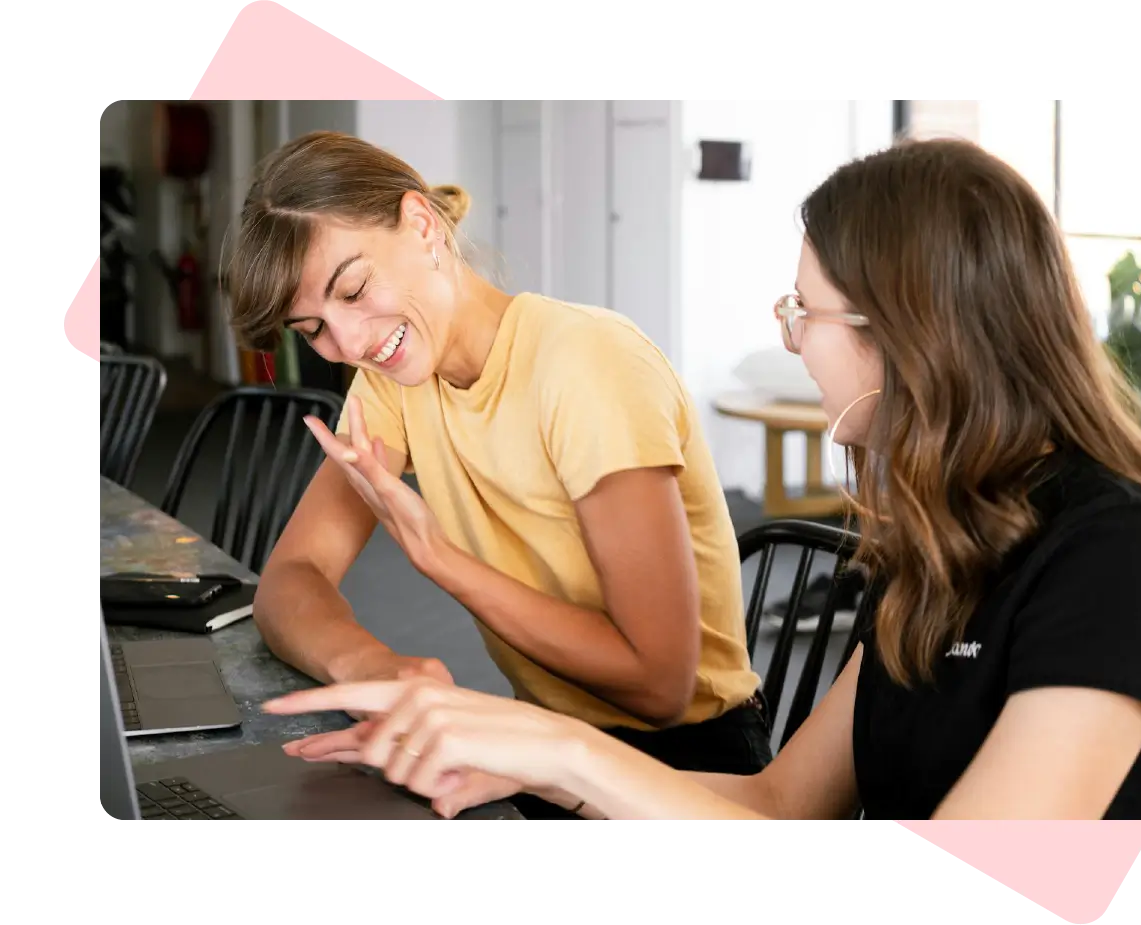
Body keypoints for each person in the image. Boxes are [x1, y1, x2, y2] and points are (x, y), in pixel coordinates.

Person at [264, 137, 1141, 823]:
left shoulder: (1120, 552)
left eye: (804, 311)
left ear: (906, 331)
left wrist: (550, 746)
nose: (792, 338)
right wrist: (532, 758)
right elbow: (780, 803)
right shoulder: (940, 546)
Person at [224, 131, 770, 822]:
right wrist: (375, 669)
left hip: (690, 767)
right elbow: (292, 575)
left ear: (422, 225)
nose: (351, 342)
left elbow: (660, 684)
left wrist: (443, 562)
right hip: (543, 747)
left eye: (355, 289)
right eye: (314, 330)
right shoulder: (393, 378)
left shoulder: (584, 364)